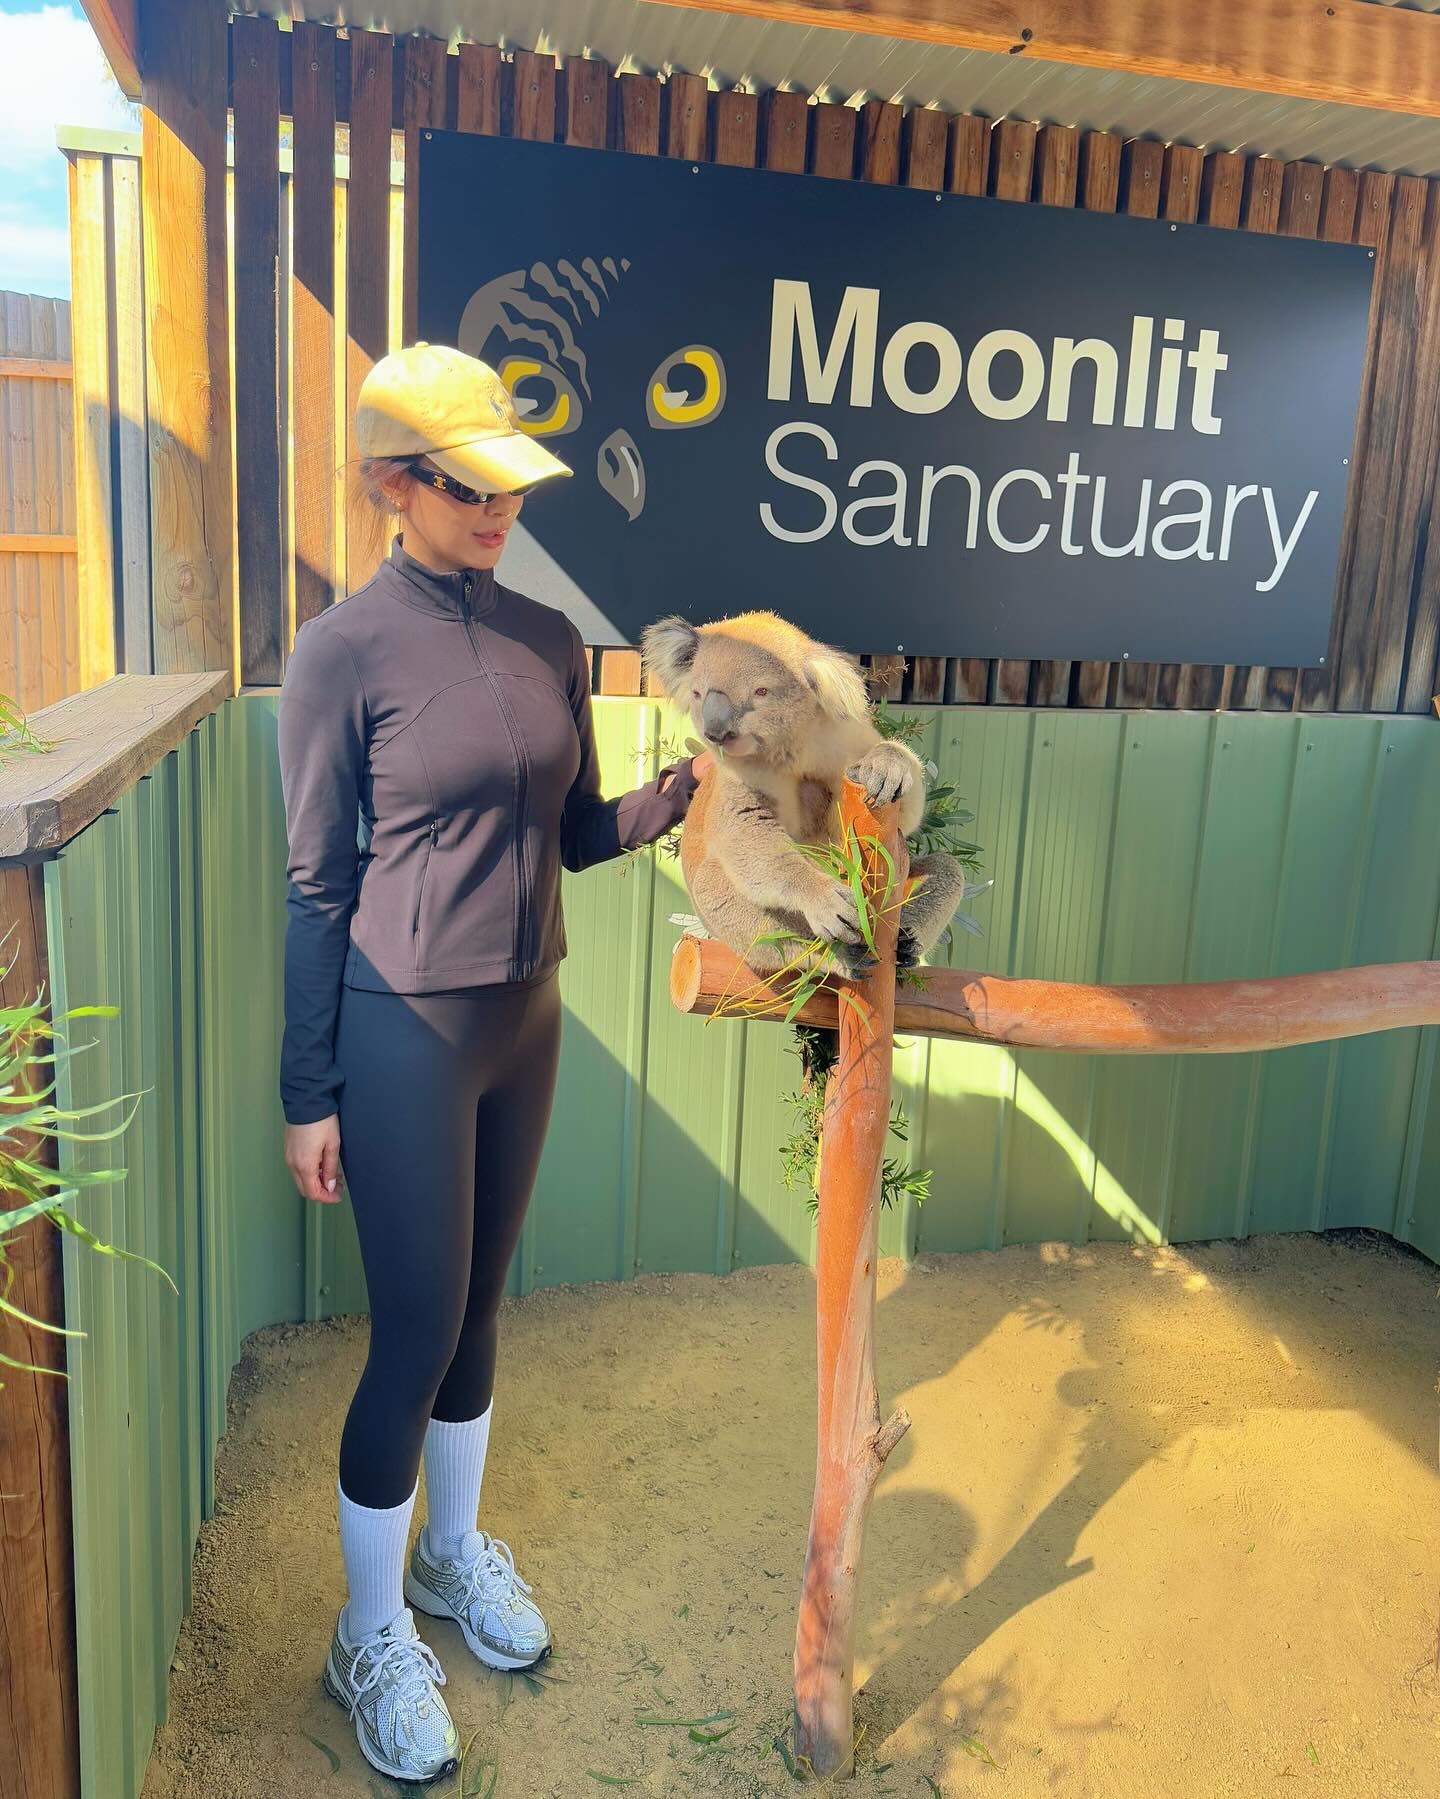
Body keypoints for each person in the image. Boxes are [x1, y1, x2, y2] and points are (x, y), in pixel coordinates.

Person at [278, 343, 705, 1783]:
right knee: (412, 1334)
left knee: (478, 1316)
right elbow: (317, 886)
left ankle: (451, 1557)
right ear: (393, 486)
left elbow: (574, 832)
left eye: (508, 486)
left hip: (527, 1018)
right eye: (466, 489)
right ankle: (368, 1632)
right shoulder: (342, 653)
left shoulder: (547, 636)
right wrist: (307, 1093)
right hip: (402, 1028)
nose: (497, 511)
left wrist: (679, 795)